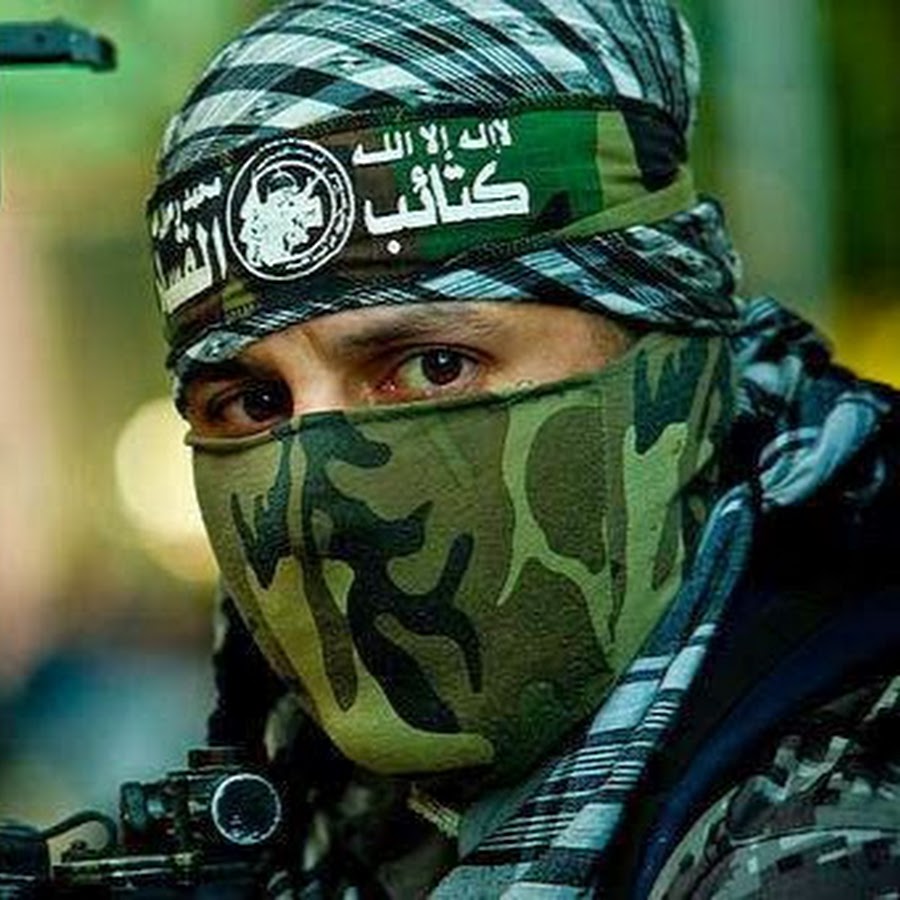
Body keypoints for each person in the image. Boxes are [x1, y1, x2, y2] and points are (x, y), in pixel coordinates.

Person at [146, 1, 900, 896]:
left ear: (671, 355)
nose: (310, 496)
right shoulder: (310, 785)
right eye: (253, 402)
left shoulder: (845, 822)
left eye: (432, 367)